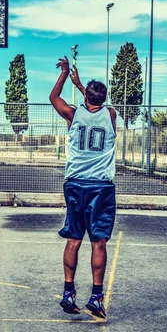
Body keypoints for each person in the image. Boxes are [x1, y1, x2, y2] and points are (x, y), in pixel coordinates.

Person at [49, 56, 117, 318]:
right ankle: (97, 297)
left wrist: (66, 75)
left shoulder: (73, 114)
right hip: (101, 186)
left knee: (74, 239)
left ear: (86, 96)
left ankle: (68, 292)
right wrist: (82, 87)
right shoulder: (111, 115)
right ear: (104, 97)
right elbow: (98, 106)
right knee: (98, 242)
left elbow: (54, 98)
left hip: (75, 184)